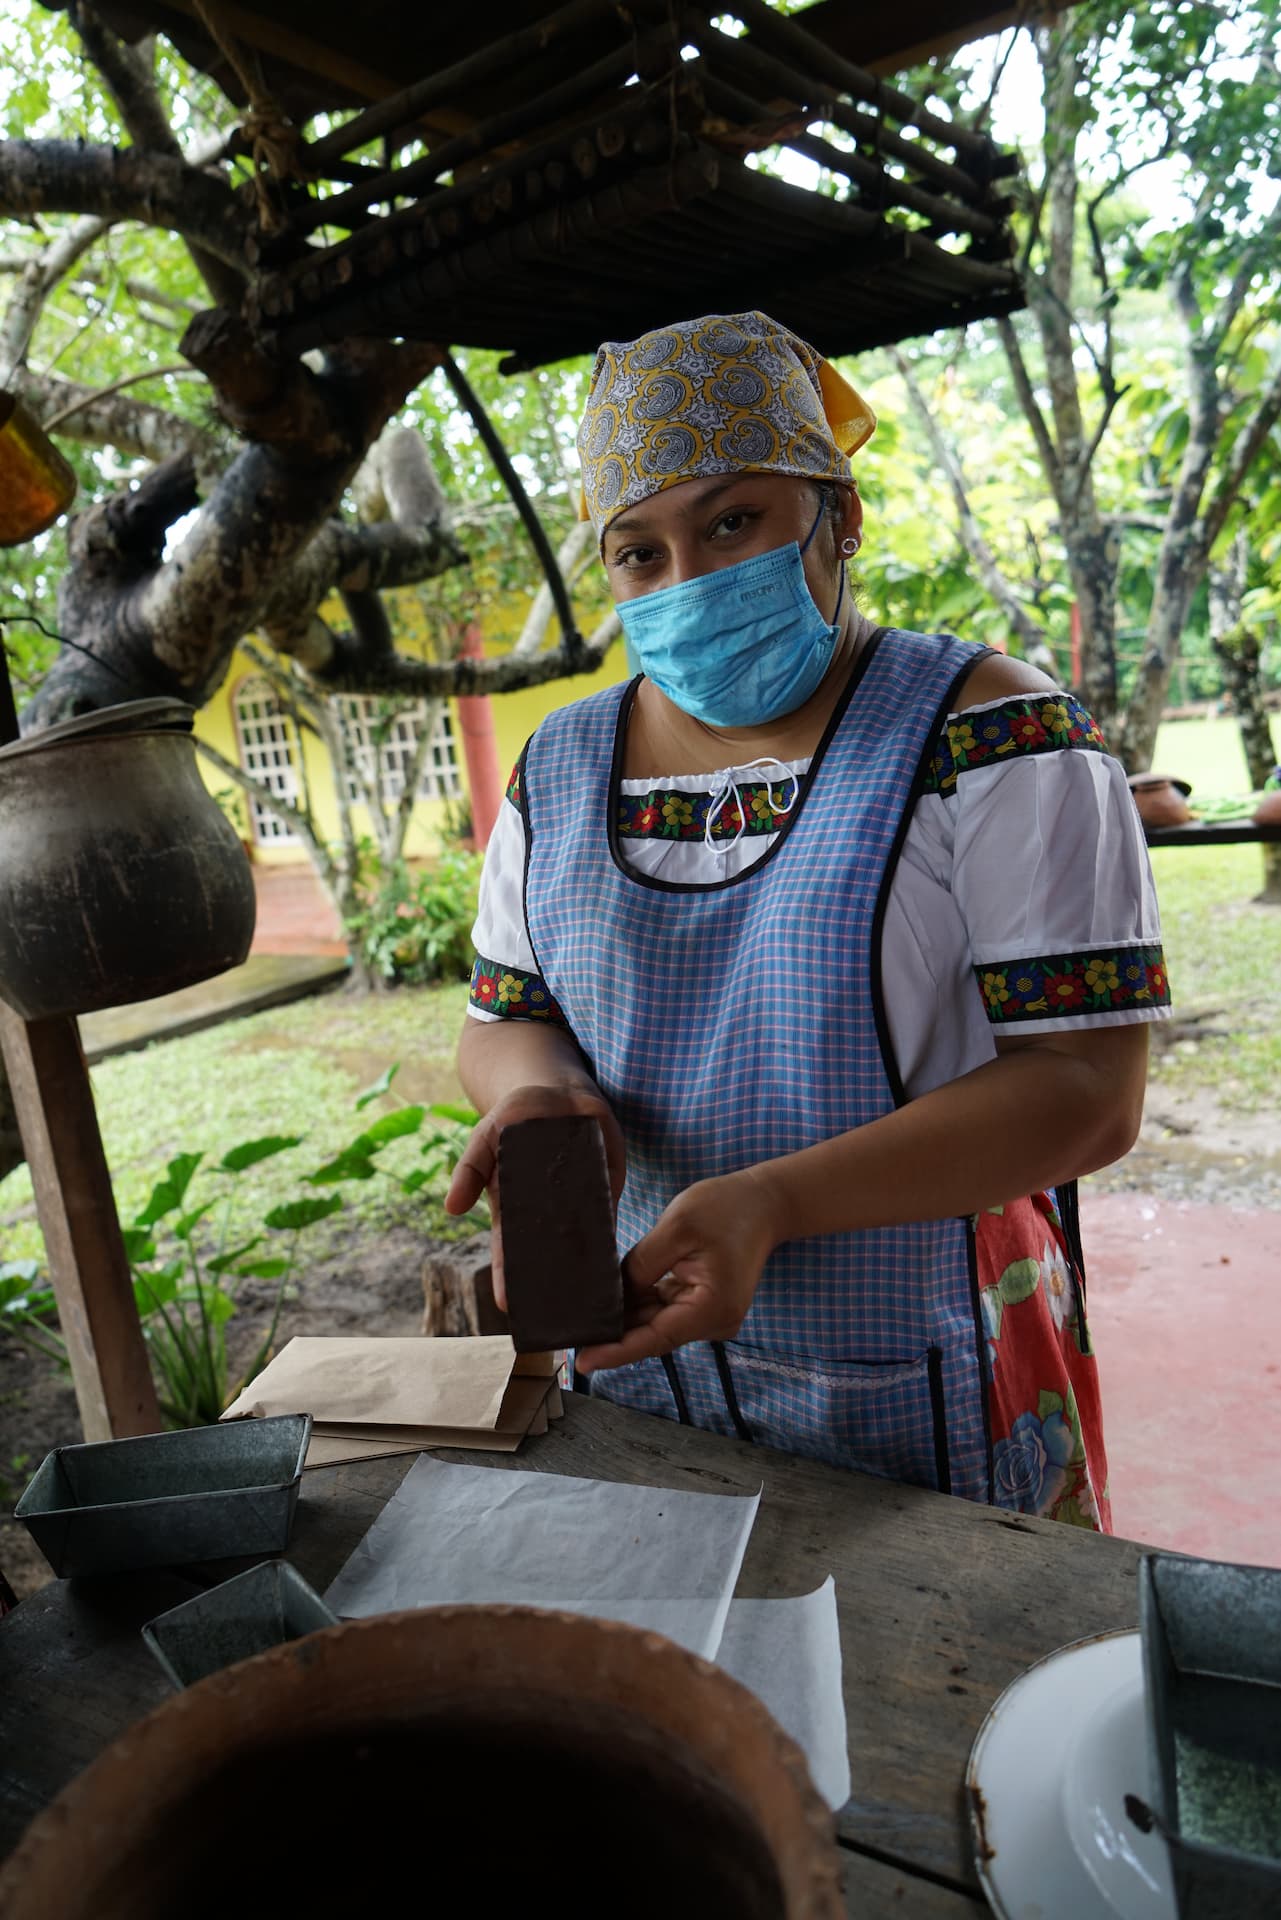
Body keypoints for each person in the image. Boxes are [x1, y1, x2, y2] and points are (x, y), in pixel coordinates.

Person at [445, 310, 1171, 1530]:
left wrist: (773, 1204)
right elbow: (506, 1016)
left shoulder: (994, 735)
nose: (689, 581)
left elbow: (1090, 1089)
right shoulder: (558, 770)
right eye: (640, 552)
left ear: (839, 517)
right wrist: (536, 1096)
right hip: (644, 1374)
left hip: (939, 1370)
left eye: (733, 522)